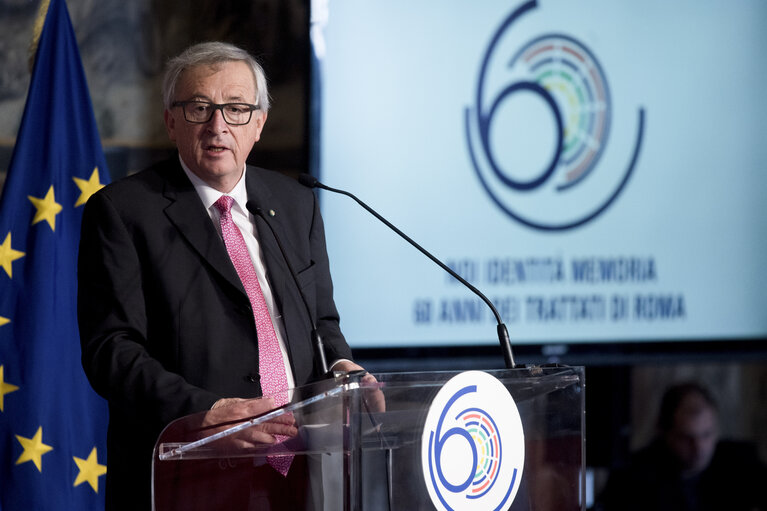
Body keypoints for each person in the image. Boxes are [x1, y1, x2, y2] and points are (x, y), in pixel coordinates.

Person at [77, 41, 370, 510]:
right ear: (171, 121)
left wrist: (341, 369)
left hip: (302, 468)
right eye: (199, 108)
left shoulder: (296, 204)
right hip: (189, 476)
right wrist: (210, 413)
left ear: (259, 123)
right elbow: (112, 351)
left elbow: (323, 324)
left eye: (235, 109)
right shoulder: (124, 212)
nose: (218, 126)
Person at [597, 381, 767, 511]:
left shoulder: (742, 463)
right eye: (687, 437)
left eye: (707, 434)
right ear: (664, 432)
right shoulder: (631, 475)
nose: (699, 448)